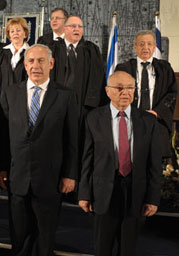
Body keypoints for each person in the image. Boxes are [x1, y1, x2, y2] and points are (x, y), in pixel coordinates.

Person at [0, 44, 78, 256]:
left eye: (41, 61)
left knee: (44, 240)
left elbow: (73, 139)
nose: (36, 66)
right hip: (18, 179)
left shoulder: (65, 96)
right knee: (19, 237)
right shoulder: (10, 93)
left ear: (51, 64)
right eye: (31, 61)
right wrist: (1, 168)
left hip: (50, 180)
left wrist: (70, 174)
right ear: (25, 65)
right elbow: (3, 137)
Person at [78, 71, 161, 256]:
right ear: (108, 91)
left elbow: (154, 164)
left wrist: (153, 198)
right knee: (102, 252)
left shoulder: (148, 121)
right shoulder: (93, 118)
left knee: (127, 255)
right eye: (119, 88)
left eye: (130, 88)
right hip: (104, 191)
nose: (125, 92)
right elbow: (87, 159)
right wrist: (84, 194)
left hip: (135, 193)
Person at [50, 15, 106, 172]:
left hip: (83, 108)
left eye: (80, 27)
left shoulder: (91, 49)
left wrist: (92, 107)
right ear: (65, 29)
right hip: (57, 107)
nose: (77, 29)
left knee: (80, 146)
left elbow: (97, 79)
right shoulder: (53, 48)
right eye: (73, 26)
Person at [115, 30, 177, 159]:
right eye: (142, 44)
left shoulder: (164, 68)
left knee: (155, 166)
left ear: (155, 47)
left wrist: (158, 112)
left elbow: (172, 94)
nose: (146, 48)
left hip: (156, 122)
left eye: (149, 44)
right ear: (135, 47)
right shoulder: (123, 68)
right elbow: (116, 94)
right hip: (130, 121)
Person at [0, 17, 30, 177]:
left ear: (25, 33)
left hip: (21, 105)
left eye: (19, 30)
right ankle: (1, 174)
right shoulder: (2, 53)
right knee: (1, 138)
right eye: (12, 31)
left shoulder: (30, 52)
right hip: (1, 104)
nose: (15, 33)